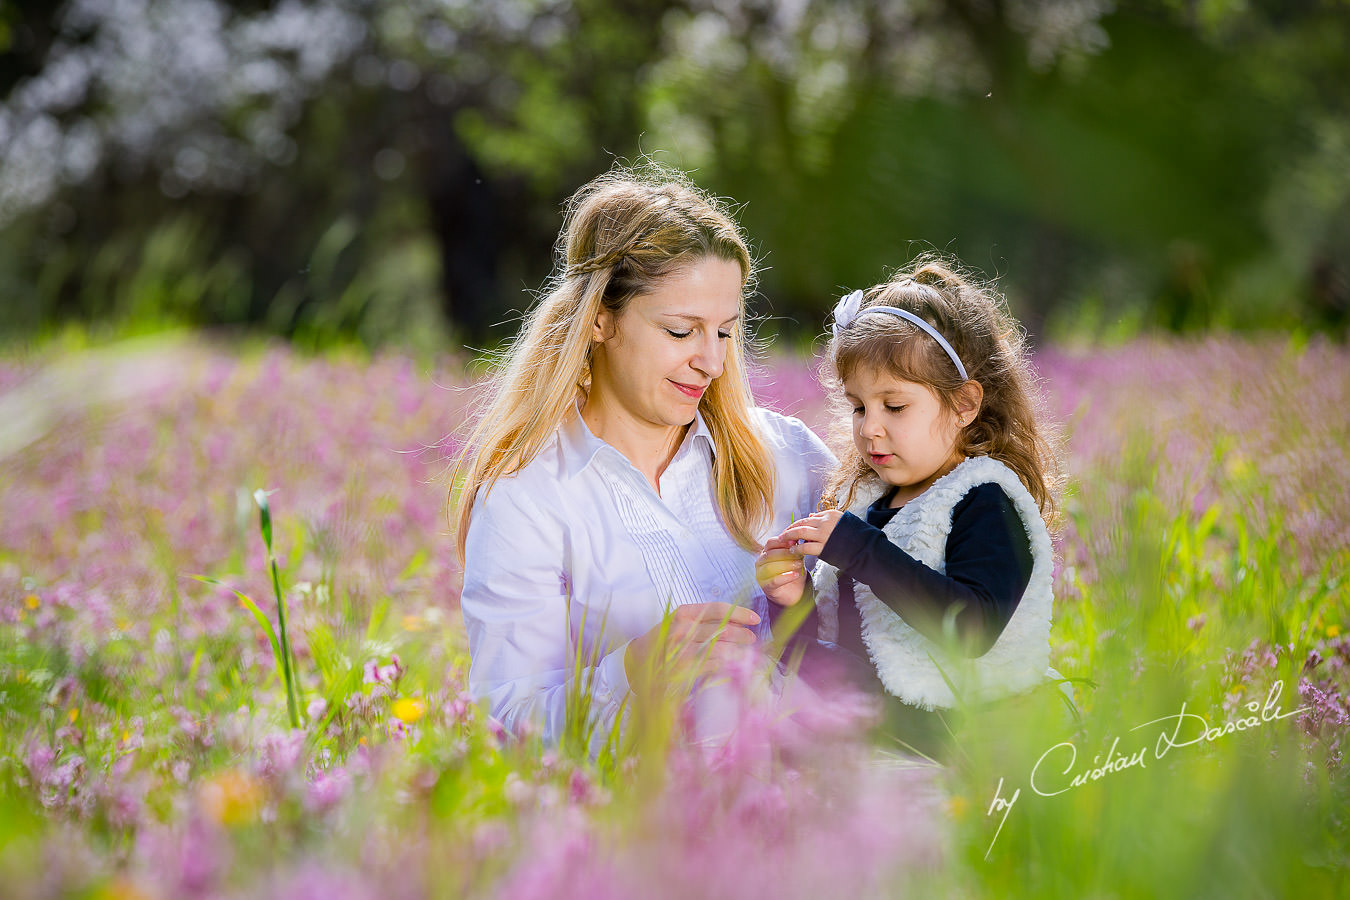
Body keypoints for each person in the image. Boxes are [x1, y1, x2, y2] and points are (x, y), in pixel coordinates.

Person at [453, 164, 834, 748]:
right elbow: (507, 721)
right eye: (682, 332)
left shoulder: (786, 456)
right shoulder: (526, 499)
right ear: (601, 320)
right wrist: (633, 672)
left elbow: (890, 623)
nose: (711, 361)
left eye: (725, 332)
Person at [756, 257, 1065, 758]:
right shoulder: (870, 509)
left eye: (894, 407)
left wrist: (860, 551)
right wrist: (793, 606)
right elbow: (832, 663)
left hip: (971, 752)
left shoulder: (985, 500)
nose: (869, 427)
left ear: (965, 405)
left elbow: (972, 629)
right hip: (879, 753)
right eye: (859, 407)